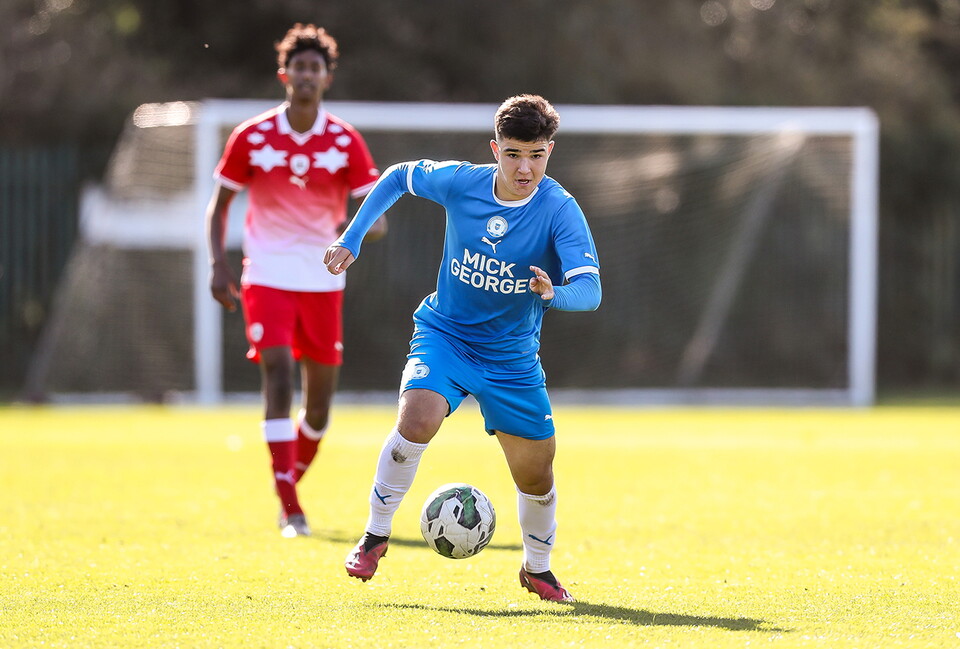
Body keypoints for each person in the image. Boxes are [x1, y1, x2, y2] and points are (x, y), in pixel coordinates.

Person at [324, 94, 601, 602]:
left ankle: (537, 569)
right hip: (446, 335)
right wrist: (353, 236)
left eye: (536, 155)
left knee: (537, 473)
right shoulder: (462, 182)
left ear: (550, 152)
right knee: (417, 418)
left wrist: (553, 293)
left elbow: (591, 291)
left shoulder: (559, 209)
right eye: (514, 154)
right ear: (495, 149)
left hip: (511, 359)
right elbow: (398, 176)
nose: (525, 168)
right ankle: (375, 534)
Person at [206, 23, 386, 538]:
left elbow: (375, 214)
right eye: (299, 66)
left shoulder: (345, 140)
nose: (307, 75)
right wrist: (219, 264)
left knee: (321, 410)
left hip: (325, 281)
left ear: (328, 78)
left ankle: (287, 478)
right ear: (285, 73)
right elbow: (219, 208)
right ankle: (291, 505)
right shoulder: (253, 136)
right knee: (279, 376)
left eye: (316, 68)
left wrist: (364, 230)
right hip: (266, 274)